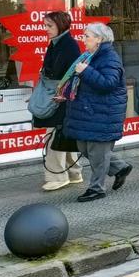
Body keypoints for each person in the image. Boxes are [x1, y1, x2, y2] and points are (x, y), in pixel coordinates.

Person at [63, 22, 132, 202]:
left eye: (87, 36)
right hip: (89, 112)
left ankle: (97, 189)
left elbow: (108, 83)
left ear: (99, 39)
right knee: (84, 148)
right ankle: (119, 167)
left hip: (103, 113)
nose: (83, 39)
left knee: (98, 155)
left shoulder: (110, 58)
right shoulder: (89, 56)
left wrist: (86, 71)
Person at [34, 11, 83, 191]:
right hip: (59, 96)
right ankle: (74, 173)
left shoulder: (68, 45)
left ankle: (56, 177)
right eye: (45, 25)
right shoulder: (58, 43)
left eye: (49, 25)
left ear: (60, 25)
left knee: (53, 136)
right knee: (62, 134)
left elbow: (72, 74)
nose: (46, 29)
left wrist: (63, 94)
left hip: (61, 97)